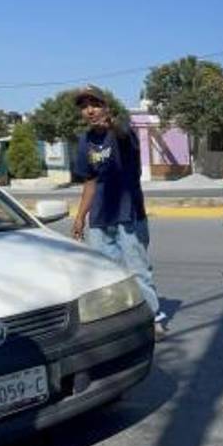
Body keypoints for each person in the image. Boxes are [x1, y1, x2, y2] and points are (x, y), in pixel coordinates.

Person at [71, 85, 167, 339]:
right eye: (84, 106)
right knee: (108, 274)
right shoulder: (85, 141)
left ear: (106, 106)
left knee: (137, 269)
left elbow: (124, 133)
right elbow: (90, 181)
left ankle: (152, 318)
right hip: (100, 218)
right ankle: (121, 320)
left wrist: (111, 124)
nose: (90, 110)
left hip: (128, 213)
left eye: (95, 104)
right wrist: (80, 217)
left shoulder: (122, 131)